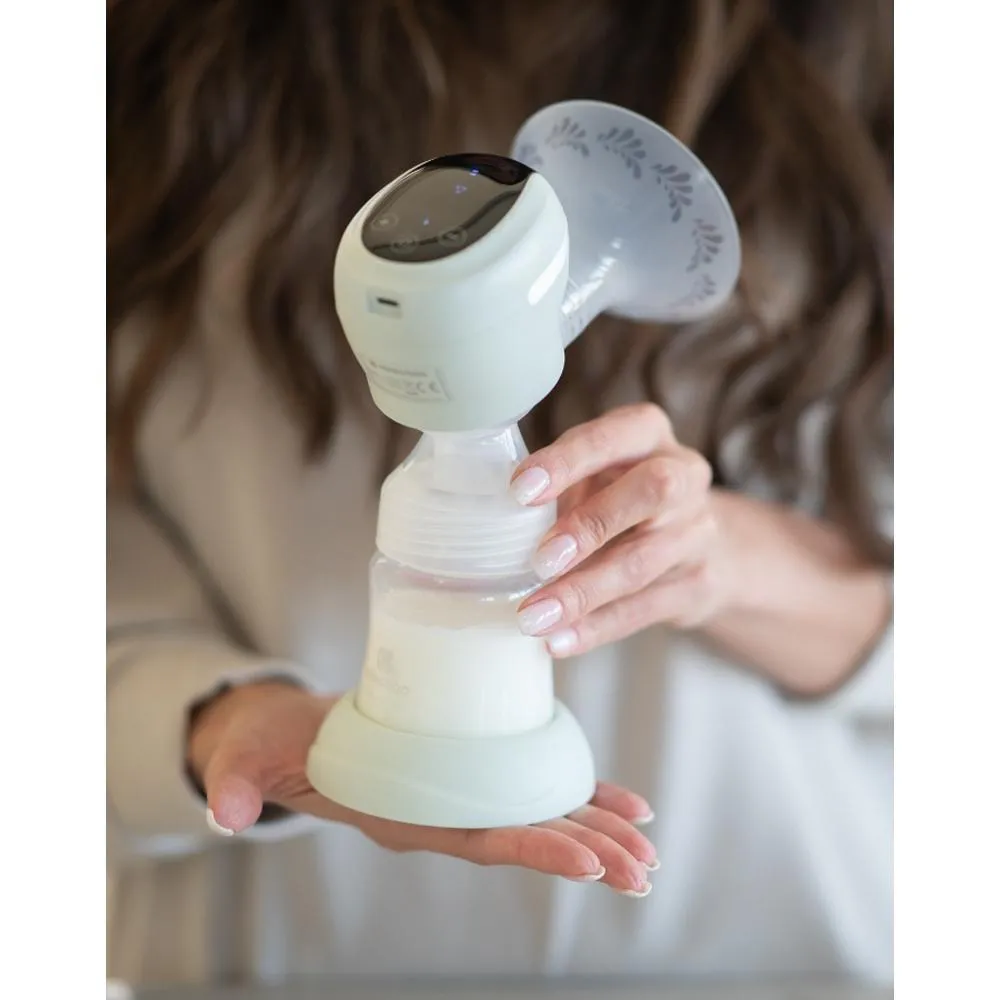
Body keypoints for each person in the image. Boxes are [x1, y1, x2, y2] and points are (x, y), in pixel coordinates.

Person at [106, 0, 894, 988]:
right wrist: (218, 717)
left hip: (779, 948)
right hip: (293, 958)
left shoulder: (875, 67)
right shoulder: (152, 65)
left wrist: (723, 561)